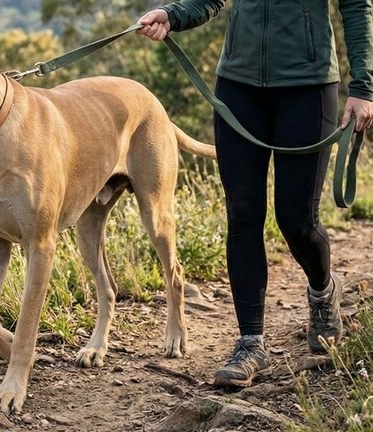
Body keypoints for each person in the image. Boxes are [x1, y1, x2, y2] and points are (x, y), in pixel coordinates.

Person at [136, 0, 373, 387]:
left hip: (308, 87)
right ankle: (251, 343)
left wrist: (363, 86)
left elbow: (355, 7)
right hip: (238, 87)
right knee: (243, 214)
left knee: (296, 220)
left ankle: (322, 290)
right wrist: (173, 15)